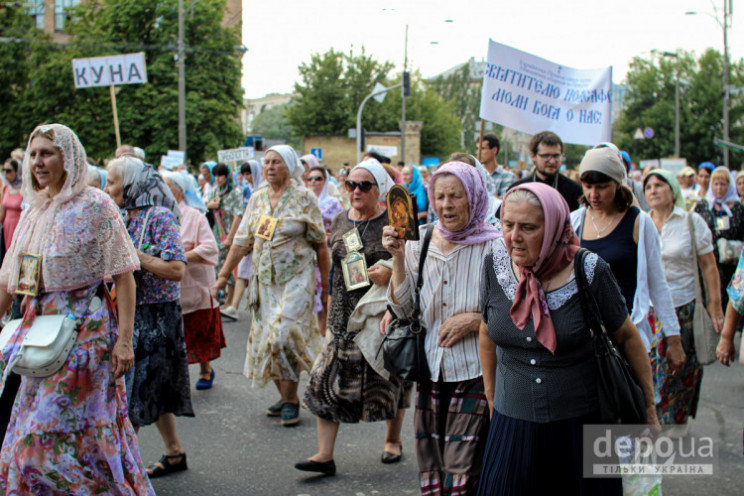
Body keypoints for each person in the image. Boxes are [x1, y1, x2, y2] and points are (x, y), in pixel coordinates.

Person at [0, 124, 154, 493]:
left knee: (46, 442)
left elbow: (124, 276)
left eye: (47, 153)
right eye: (33, 154)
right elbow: (9, 279)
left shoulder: (96, 204)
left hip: (86, 335)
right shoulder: (34, 210)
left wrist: (125, 342)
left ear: (69, 158)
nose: (37, 162)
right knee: (26, 438)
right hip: (38, 334)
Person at [477, 183, 658, 495]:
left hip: (581, 427)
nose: (514, 237)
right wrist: (492, 399)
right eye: (508, 225)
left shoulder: (588, 270)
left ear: (553, 228)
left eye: (528, 227)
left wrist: (650, 410)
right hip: (512, 425)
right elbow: (486, 331)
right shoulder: (494, 266)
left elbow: (627, 337)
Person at [384, 161, 501, 495]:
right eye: (440, 196)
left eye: (456, 196)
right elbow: (402, 309)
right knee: (432, 466)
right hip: (430, 370)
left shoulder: (495, 247)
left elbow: (513, 311)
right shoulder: (419, 242)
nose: (447, 205)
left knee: (461, 468)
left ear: (475, 197)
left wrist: (476, 320)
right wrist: (397, 258)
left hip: (477, 372)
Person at [297, 159, 412, 475]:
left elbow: (413, 263)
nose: (356, 190)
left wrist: (388, 271)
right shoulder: (338, 220)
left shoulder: (395, 220)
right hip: (343, 317)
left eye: (365, 185)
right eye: (351, 184)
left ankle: (392, 440)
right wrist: (328, 311)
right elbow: (336, 270)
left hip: (382, 317)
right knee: (325, 382)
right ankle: (324, 455)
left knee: (389, 383)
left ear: (380, 190)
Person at [213, 145, 330, 427]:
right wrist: (222, 275)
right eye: (266, 162)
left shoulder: (304, 198)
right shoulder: (257, 199)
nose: (269, 167)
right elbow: (242, 242)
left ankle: (291, 400)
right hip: (265, 281)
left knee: (284, 335)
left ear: (289, 166)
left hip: (297, 279)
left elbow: (321, 245)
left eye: (276, 162)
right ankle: (286, 394)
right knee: (268, 340)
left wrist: (327, 286)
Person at [105, 156, 194, 478]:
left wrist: (137, 257)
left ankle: (119, 471)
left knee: (135, 394)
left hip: (157, 318)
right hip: (127, 314)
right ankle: (174, 452)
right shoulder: (119, 216)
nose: (106, 187)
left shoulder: (158, 217)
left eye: (112, 181)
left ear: (131, 184)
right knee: (151, 389)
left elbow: (176, 269)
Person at [570, 148, 683, 358]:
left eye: (602, 187)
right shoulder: (575, 221)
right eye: (588, 187)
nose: (594, 194)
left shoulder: (639, 222)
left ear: (617, 183)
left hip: (626, 336)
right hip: (583, 336)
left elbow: (657, 282)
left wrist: (673, 338)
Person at [644, 169, 723, 433]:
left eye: (659, 185)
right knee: (651, 365)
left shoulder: (692, 221)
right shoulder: (642, 222)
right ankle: (655, 415)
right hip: (650, 309)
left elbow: (709, 266)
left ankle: (678, 419)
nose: (653, 190)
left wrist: (715, 304)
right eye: (648, 187)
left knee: (681, 367)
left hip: (683, 306)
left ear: (673, 190)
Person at [163, 171, 226, 390]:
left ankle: (205, 368)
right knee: (172, 333)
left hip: (195, 284)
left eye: (167, 186)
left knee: (197, 329)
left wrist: (179, 257)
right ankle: (176, 376)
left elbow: (209, 248)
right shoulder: (158, 216)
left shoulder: (194, 215)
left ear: (179, 191)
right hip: (169, 286)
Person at [694, 166, 744, 310]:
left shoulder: (738, 208)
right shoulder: (704, 205)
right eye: (716, 184)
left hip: (732, 264)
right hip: (709, 260)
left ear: (729, 186)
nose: (719, 188)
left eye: (723, 184)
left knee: (733, 299)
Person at [223, 159, 264, 319]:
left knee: (259, 276)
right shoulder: (247, 191)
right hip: (249, 239)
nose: (247, 177)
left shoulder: (264, 190)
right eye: (244, 174)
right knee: (242, 273)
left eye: (248, 173)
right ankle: (234, 306)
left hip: (260, 240)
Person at [507, 131, 583, 211]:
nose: (552, 161)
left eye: (556, 156)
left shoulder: (575, 191)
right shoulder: (517, 189)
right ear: (533, 156)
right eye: (546, 156)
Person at [205, 163, 243, 313]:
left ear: (227, 176)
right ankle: (220, 296)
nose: (219, 179)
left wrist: (230, 238)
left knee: (229, 265)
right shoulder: (215, 190)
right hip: (217, 233)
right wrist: (213, 204)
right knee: (216, 265)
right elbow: (208, 205)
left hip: (230, 232)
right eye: (216, 175)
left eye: (221, 175)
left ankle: (230, 301)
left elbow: (237, 215)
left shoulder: (236, 191)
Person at [477, 132, 516, 197]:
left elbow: (505, 203)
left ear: (494, 150)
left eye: (482, 148)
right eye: (477, 149)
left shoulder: (508, 176)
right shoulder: (476, 175)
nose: (478, 152)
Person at [0, 159, 23, 253]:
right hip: (7, 227)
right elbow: (2, 213)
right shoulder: (5, 188)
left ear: (17, 171)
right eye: (4, 170)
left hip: (19, 227)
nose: (5, 173)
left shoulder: (24, 189)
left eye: (9, 170)